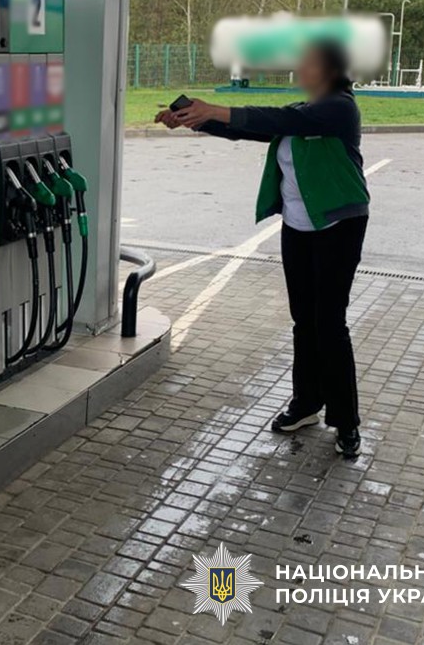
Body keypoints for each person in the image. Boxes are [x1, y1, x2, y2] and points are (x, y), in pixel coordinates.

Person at [154, 40, 369, 457]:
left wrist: (215, 108)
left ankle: (346, 421)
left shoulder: (340, 108)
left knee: (329, 323)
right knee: (304, 320)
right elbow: (253, 127)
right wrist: (195, 120)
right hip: (298, 228)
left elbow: (276, 118)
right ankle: (306, 403)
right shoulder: (304, 110)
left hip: (339, 227)